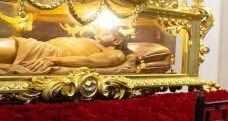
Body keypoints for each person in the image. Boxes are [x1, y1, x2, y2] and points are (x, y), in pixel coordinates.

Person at [0, 30, 132, 74]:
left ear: (117, 41)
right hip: (42, 47)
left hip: (47, 53)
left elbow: (90, 62)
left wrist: (54, 60)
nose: (99, 33)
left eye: (105, 33)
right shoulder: (95, 43)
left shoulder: (116, 53)